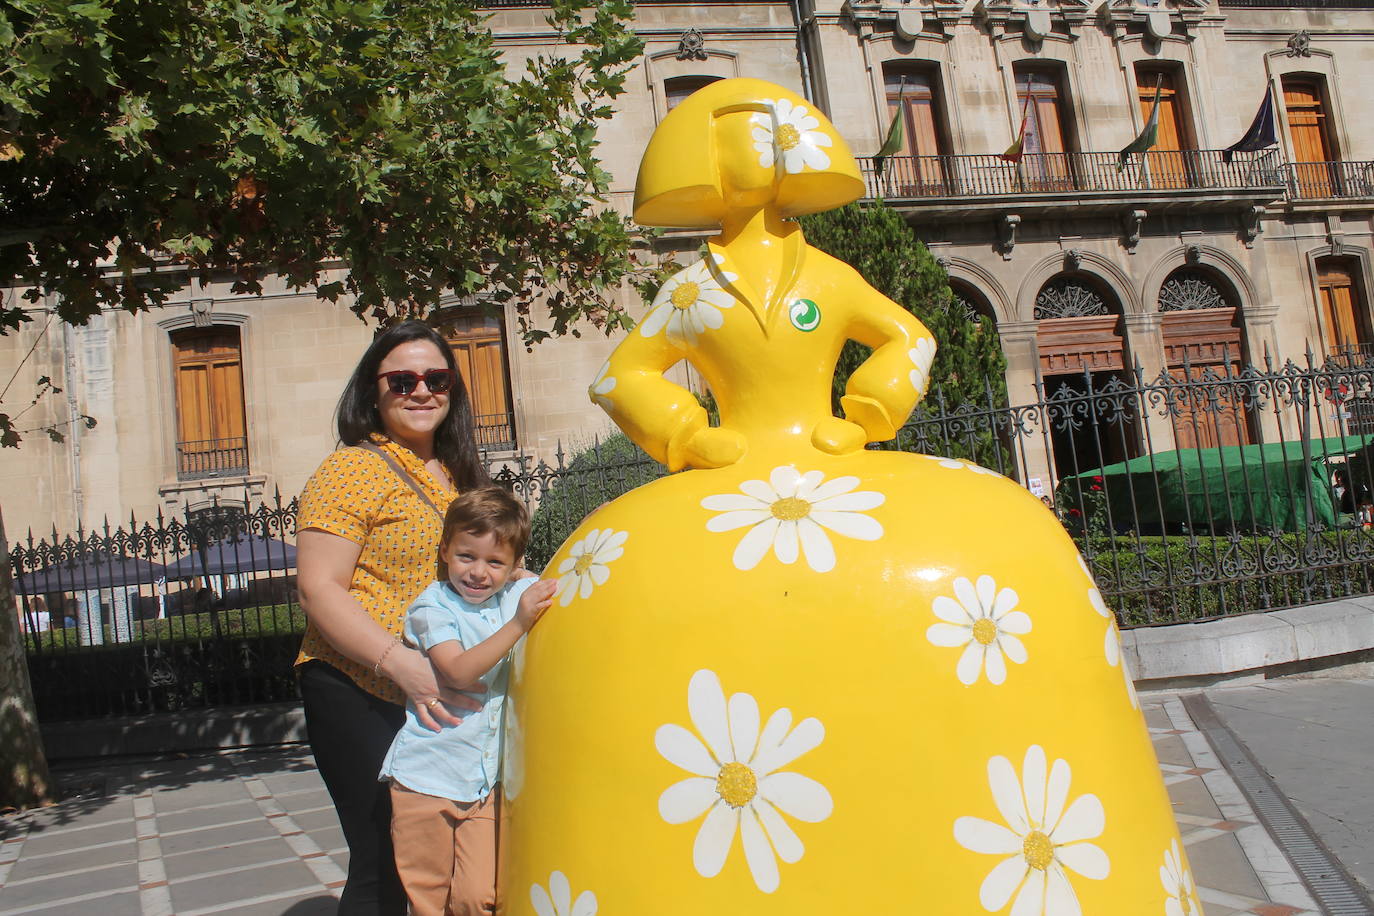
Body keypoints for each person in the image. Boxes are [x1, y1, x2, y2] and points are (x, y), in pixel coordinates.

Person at [296, 320, 489, 915]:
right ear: (372, 391)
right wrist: (398, 662)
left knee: (443, 857)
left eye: (437, 378)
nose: (421, 390)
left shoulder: (458, 478)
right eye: (402, 379)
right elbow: (319, 587)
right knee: (384, 858)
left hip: (439, 691)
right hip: (359, 683)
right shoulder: (351, 470)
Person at [380, 487, 557, 916]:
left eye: (494, 562)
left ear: (514, 565)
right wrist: (518, 622)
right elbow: (457, 671)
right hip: (426, 778)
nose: (478, 573)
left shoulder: (508, 596)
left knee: (480, 897)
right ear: (444, 551)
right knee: (429, 898)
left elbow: (555, 580)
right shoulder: (433, 606)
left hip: (483, 784)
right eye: (466, 557)